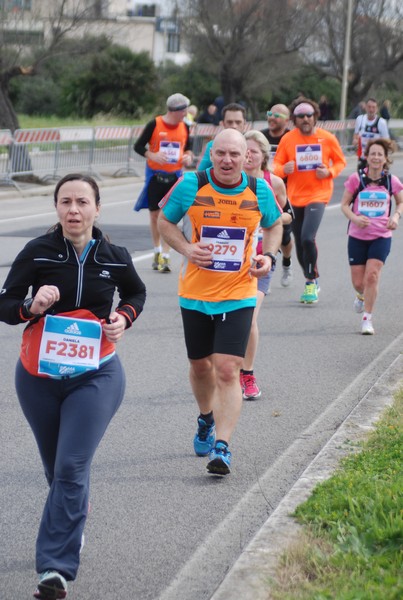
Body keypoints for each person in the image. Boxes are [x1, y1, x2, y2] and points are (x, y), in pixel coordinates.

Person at [0, 173, 146, 600]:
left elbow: (136, 294)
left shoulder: (115, 255)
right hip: (38, 379)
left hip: (95, 375)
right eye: (65, 202)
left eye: (82, 202)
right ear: (57, 207)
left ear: (97, 208)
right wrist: (30, 306)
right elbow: (5, 305)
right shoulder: (38, 252)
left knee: (70, 467)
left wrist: (123, 318)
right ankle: (74, 513)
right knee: (56, 469)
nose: (73, 210)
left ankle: (55, 569)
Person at [158, 129, 283, 474]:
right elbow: (165, 220)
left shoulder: (259, 189)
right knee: (201, 366)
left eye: (235, 154)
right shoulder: (190, 184)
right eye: (221, 153)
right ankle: (205, 418)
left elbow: (274, 226)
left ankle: (223, 446)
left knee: (228, 368)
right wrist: (186, 249)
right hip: (195, 293)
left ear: (247, 157)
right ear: (211, 154)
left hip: (239, 292)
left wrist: (269, 257)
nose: (227, 160)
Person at [273, 97, 347, 304]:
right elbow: (276, 164)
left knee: (307, 237)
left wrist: (330, 171)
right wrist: (283, 169)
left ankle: (311, 281)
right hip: (295, 195)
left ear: (315, 117)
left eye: (308, 115)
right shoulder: (288, 139)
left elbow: (341, 161)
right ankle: (309, 279)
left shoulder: (327, 138)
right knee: (299, 243)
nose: (305, 119)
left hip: (319, 195)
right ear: (294, 120)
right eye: (300, 116)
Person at [241, 129, 292, 400]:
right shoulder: (229, 182)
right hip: (231, 262)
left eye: (254, 152)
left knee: (249, 316)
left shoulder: (274, 182)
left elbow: (286, 216)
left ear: (263, 156)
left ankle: (247, 375)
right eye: (245, 151)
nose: (248, 156)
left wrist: (267, 219)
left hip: (261, 259)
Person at [340, 139, 403, 335]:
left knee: (372, 276)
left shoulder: (391, 181)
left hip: (381, 236)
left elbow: (400, 203)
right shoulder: (355, 180)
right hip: (357, 236)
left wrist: (395, 216)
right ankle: (360, 296)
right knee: (359, 283)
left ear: (385, 159)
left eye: (380, 154)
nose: (376, 157)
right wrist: (355, 218)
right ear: (366, 157)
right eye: (372, 154)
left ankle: (367, 319)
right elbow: (344, 205)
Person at [134, 93, 194, 272]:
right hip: (155, 175)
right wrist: (152, 155)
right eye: (183, 111)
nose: (186, 114)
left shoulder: (185, 126)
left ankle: (166, 255)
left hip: (175, 176)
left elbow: (188, 148)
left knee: (169, 215)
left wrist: (188, 157)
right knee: (154, 215)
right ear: (175, 110)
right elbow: (138, 146)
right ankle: (157, 249)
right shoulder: (155, 124)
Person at [261, 103, 294, 287]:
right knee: (261, 232)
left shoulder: (290, 138)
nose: (272, 117)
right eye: (269, 113)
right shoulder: (261, 137)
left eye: (277, 115)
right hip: (261, 188)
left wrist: (289, 169)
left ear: (287, 120)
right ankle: (265, 272)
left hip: (283, 191)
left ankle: (287, 263)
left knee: (285, 238)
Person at [197, 102, 247, 170]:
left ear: (245, 124)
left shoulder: (252, 146)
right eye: (229, 122)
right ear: (223, 123)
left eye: (238, 122)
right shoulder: (212, 145)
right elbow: (200, 173)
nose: (234, 126)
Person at [353, 98, 390, 171]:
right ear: (366, 107)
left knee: (375, 181)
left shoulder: (381, 122)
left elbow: (387, 141)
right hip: (363, 157)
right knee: (361, 180)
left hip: (376, 159)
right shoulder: (360, 119)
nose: (371, 110)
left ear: (377, 109)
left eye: (373, 107)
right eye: (369, 107)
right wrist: (355, 140)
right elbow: (356, 135)